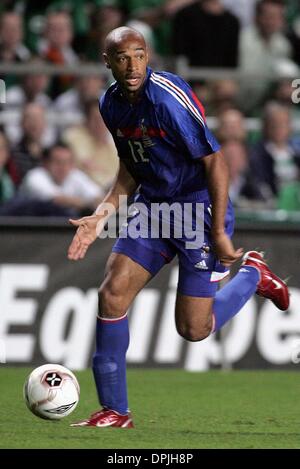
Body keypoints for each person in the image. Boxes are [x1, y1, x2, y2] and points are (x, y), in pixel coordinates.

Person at [67, 27, 290, 429]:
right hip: (152, 208)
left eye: (139, 55)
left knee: (193, 329)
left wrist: (220, 231)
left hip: (195, 210)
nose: (132, 65)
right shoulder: (110, 104)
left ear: (148, 55)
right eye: (122, 57)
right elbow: (131, 168)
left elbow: (215, 162)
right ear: (108, 62)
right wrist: (103, 212)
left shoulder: (168, 100)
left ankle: (254, 272)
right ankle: (115, 411)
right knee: (111, 294)